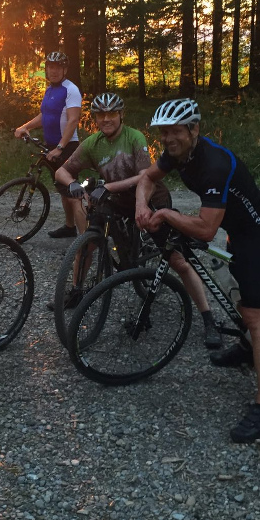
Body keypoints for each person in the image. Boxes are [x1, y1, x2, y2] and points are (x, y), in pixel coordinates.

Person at [134, 98, 260, 443]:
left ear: (194, 129)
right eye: (163, 133)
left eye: (175, 131)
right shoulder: (177, 154)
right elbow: (147, 178)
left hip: (259, 235)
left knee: (257, 316)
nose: (168, 139)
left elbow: (205, 229)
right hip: (237, 233)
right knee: (239, 299)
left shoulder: (215, 163)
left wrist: (166, 214)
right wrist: (142, 204)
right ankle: (247, 349)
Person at [53, 92, 221, 349]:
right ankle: (77, 291)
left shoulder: (134, 137)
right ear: (95, 118)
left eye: (111, 113)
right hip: (117, 199)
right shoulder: (92, 143)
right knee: (88, 242)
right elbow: (61, 171)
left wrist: (109, 187)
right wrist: (73, 184)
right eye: (100, 115)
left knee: (177, 260)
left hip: (151, 197)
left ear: (121, 115)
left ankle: (208, 317)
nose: (106, 119)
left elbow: (145, 177)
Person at [14, 51, 82, 238]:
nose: (53, 71)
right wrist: (25, 126)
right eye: (50, 67)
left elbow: (73, 120)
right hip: (51, 145)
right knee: (62, 189)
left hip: (67, 147)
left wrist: (60, 147)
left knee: (71, 191)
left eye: (58, 67)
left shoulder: (71, 90)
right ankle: (69, 227)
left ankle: (85, 237)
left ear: (65, 69)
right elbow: (45, 115)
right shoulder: (50, 90)